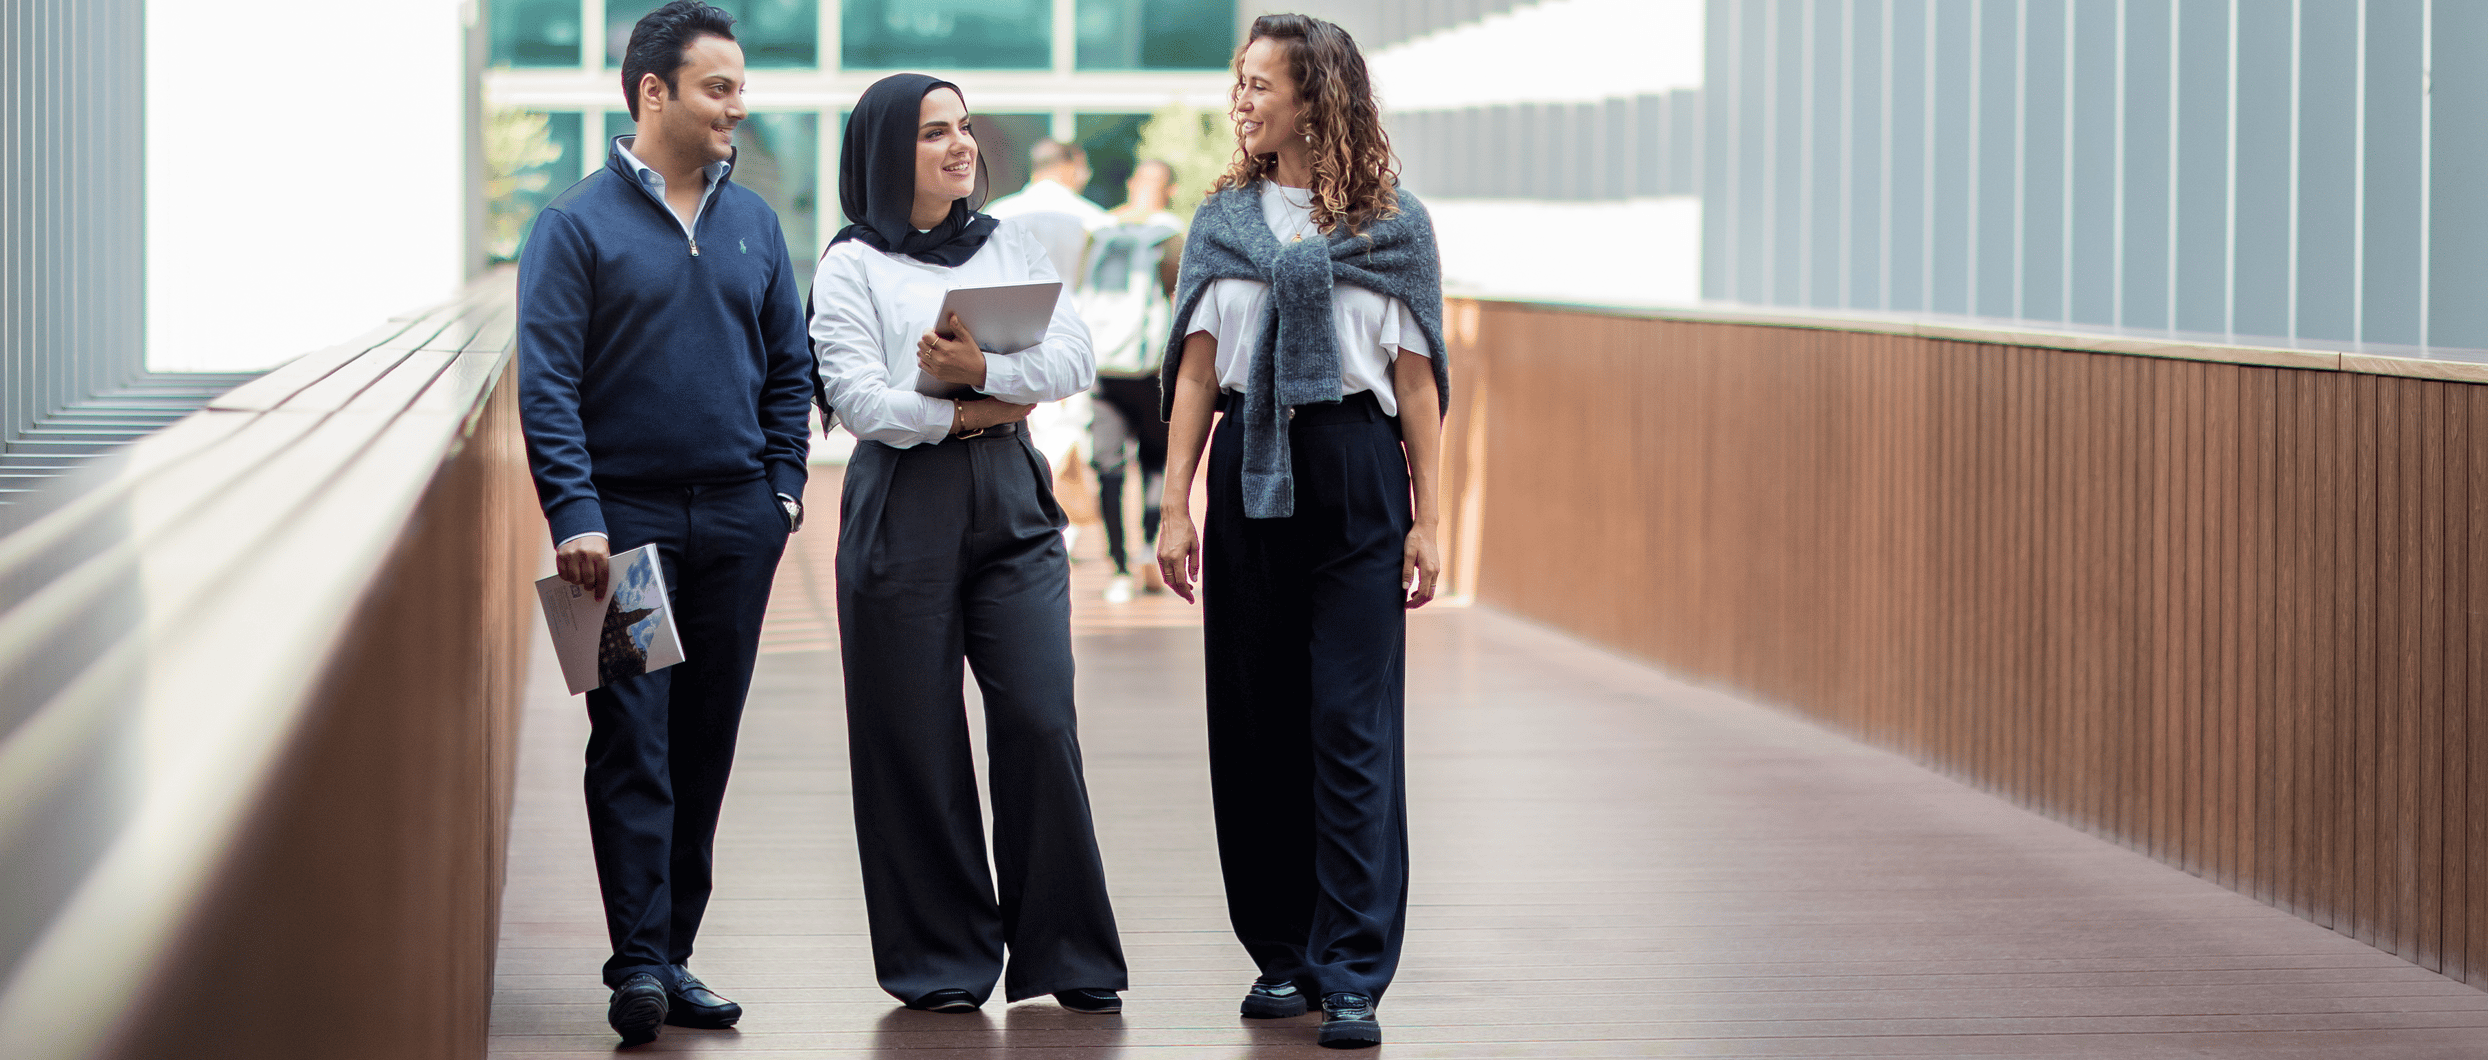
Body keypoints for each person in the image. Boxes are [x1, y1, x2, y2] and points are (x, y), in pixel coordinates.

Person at [515, 1, 813, 1047]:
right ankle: (637, 960)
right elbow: (545, 385)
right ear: (653, 92)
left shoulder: (756, 222)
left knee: (703, 742)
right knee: (629, 740)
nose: (740, 103)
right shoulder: (573, 226)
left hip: (737, 522)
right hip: (618, 530)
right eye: (719, 87)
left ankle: (672, 953)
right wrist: (576, 511)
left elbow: (791, 368)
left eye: (741, 84)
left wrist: (781, 493)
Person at [1154, 13, 1448, 1051]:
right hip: (1249, 471)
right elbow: (1195, 366)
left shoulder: (1396, 226)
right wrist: (1170, 499)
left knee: (1351, 726)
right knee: (1254, 715)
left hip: (1357, 472)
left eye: (1258, 82)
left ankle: (1354, 967)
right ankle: (1283, 953)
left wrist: (1429, 517)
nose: (1240, 99)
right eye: (1238, 83)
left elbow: (1417, 383)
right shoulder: (1222, 221)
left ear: (1317, 94)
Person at [809, 71, 1127, 1016]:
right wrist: (974, 409)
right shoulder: (850, 264)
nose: (960, 147)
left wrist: (979, 369)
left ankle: (1066, 951)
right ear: (882, 153)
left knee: (1039, 715)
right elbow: (862, 399)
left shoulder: (1007, 242)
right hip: (901, 502)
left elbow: (1072, 357)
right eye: (932, 133)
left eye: (962, 129)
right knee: (911, 733)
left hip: (1012, 500)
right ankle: (940, 961)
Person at [1078, 159, 1183, 602]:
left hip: (1105, 370)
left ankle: (1119, 566)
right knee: (1156, 466)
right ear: (1171, 190)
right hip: (1151, 372)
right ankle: (1144, 554)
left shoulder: (1102, 231)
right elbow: (1182, 296)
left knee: (1108, 468)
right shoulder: (1172, 235)